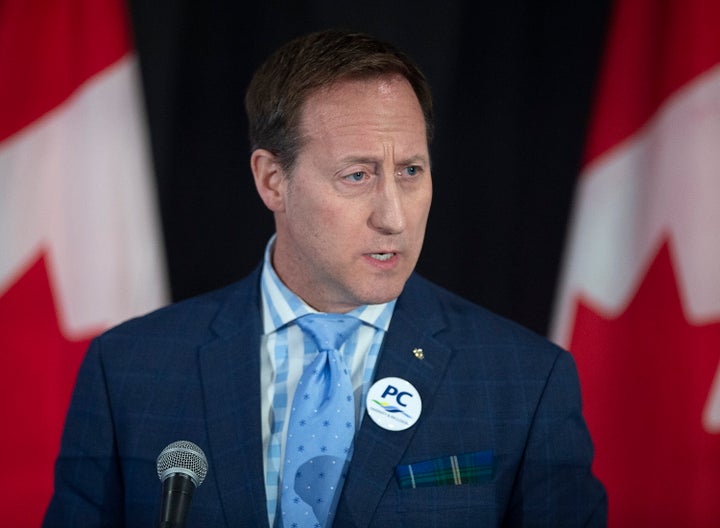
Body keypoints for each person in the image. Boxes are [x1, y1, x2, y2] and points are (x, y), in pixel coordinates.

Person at [43, 29, 606, 527]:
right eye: (357, 175)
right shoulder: (128, 370)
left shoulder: (526, 382)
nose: (394, 215)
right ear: (272, 180)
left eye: (411, 171)